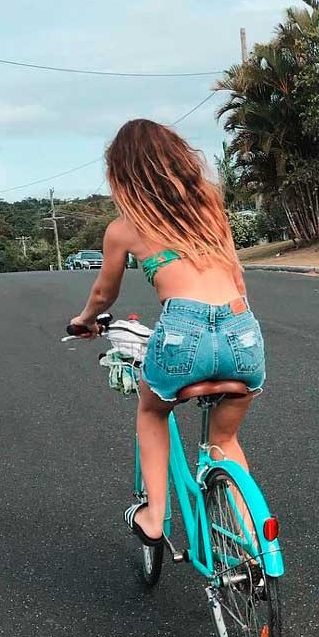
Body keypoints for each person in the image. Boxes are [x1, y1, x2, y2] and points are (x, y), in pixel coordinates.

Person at [69, 119, 266, 543]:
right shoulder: (210, 206)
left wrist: (84, 319)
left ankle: (155, 516)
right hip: (242, 329)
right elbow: (237, 276)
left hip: (183, 332)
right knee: (225, 440)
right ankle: (253, 545)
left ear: (123, 174)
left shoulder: (124, 228)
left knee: (152, 410)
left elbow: (104, 292)